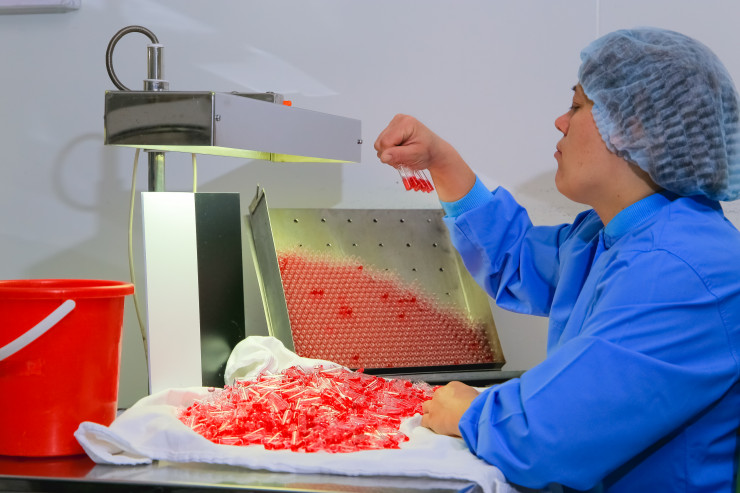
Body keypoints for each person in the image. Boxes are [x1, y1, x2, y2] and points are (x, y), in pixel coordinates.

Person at [375, 27, 740, 492]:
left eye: (577, 106)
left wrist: (470, 411)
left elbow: (547, 438)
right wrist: (440, 160)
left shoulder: (682, 268)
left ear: (634, 128)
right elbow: (517, 259)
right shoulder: (610, 236)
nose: (560, 122)